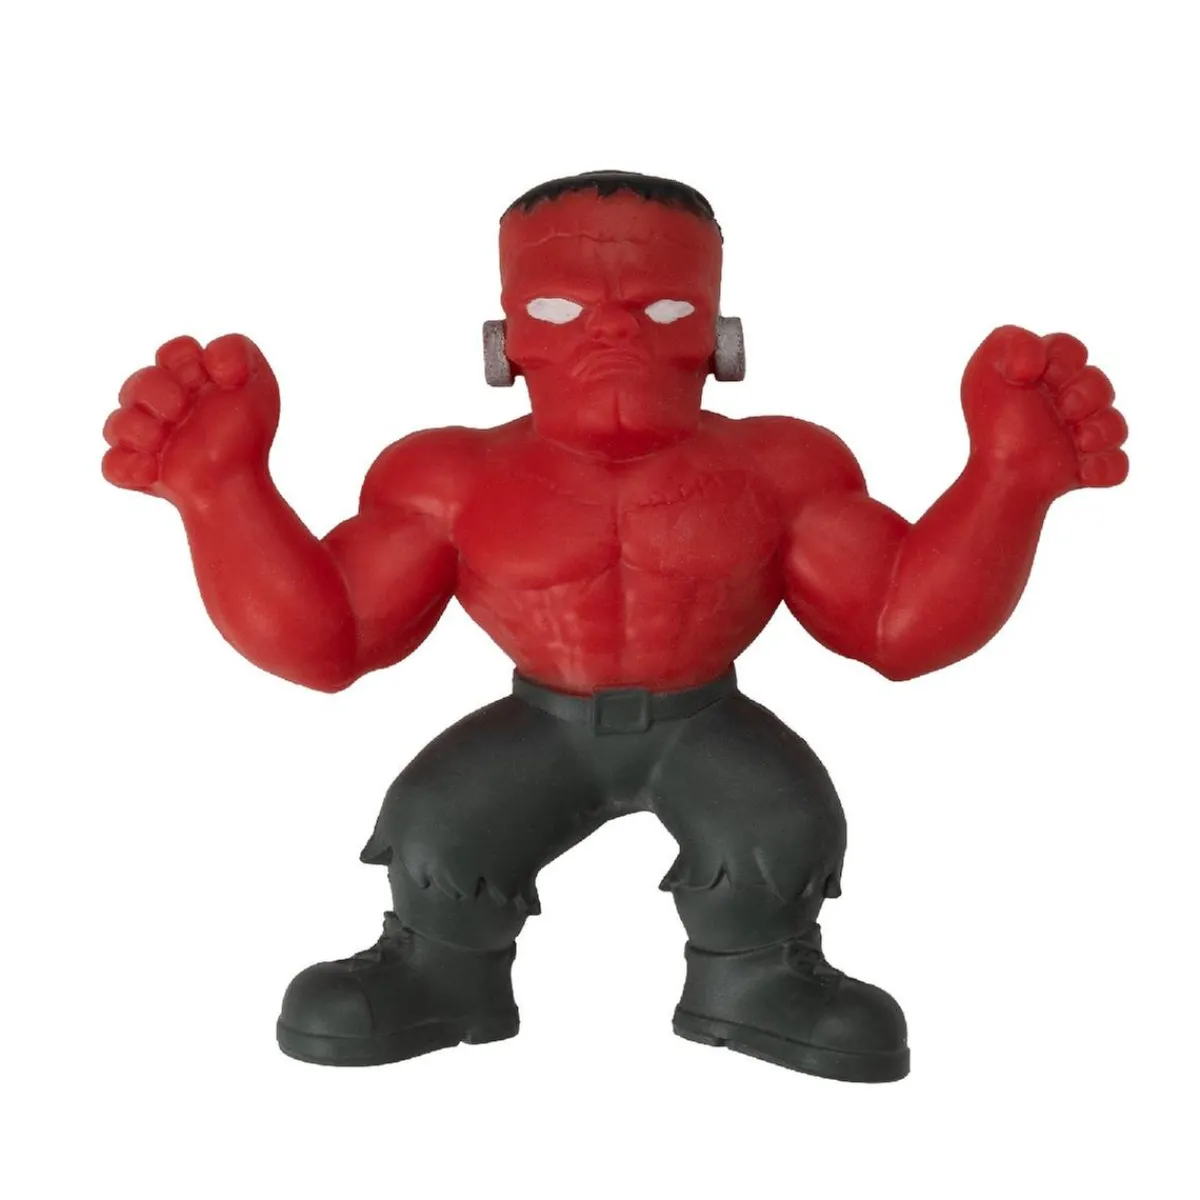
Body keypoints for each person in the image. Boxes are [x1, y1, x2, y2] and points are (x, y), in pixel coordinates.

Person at [101, 171, 1128, 1082]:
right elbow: (330, 642)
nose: (613, 332)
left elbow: (898, 628)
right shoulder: (448, 476)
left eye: (662, 306)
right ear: (506, 341)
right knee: (437, 829)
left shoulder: (782, 467)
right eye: (560, 306)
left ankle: (759, 978)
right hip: (541, 724)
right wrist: (223, 494)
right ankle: (438, 972)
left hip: (704, 721)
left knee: (780, 829)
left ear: (720, 336)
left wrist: (1008, 482)